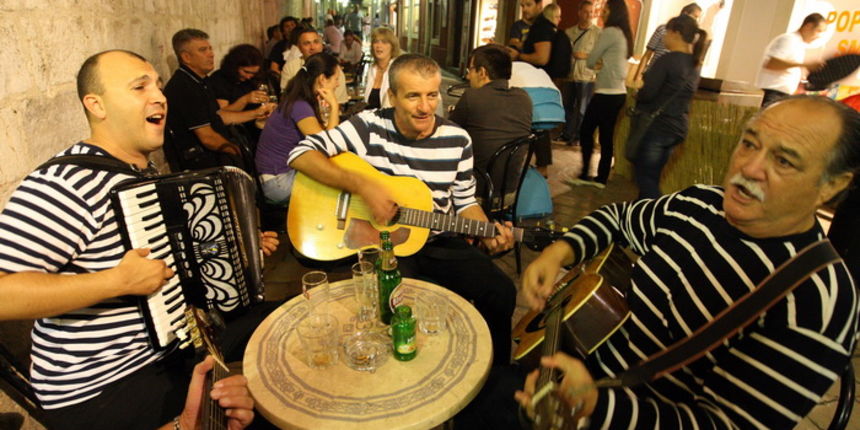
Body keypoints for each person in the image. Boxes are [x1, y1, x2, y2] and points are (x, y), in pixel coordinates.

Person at [458, 95, 860, 429]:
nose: (749, 168)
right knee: (472, 394)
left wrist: (597, 407)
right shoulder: (700, 203)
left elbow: (723, 425)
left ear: (833, 185)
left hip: (622, 414)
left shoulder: (818, 299)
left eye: (784, 161)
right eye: (750, 143)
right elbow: (617, 219)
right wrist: (560, 252)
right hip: (583, 369)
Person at [0, 49, 273, 430]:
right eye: (139, 86)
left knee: (284, 324)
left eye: (158, 86)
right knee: (259, 413)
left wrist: (233, 251)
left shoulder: (141, 176)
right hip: (102, 388)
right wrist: (117, 281)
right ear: (96, 105)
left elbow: (165, 262)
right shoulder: (64, 186)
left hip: (171, 347)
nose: (159, 95)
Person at [287, 54, 518, 366]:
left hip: (438, 240)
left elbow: (465, 203)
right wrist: (362, 186)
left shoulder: (457, 139)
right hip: (385, 247)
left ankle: (494, 373)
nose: (425, 108)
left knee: (501, 290)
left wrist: (489, 231)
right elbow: (301, 153)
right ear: (392, 96)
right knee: (392, 312)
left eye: (432, 95)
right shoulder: (369, 126)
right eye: (413, 96)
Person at [163, 29, 273, 172]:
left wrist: (258, 113)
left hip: (215, 151)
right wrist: (238, 152)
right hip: (202, 162)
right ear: (186, 57)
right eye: (203, 50)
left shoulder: (201, 80)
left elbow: (219, 116)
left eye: (210, 48)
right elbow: (208, 138)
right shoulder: (184, 87)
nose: (211, 54)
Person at [631, 15, 707, 199]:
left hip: (657, 126)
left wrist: (638, 93)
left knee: (645, 179)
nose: (663, 38)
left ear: (675, 33)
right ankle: (644, 218)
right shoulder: (694, 63)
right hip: (677, 126)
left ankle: (659, 216)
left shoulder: (668, 60)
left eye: (666, 33)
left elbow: (648, 93)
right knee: (653, 176)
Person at [449, 44, 532, 202]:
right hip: (510, 193)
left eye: (470, 70)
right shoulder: (524, 98)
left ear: (482, 72)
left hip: (477, 193)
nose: (467, 76)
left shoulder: (472, 97)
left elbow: (448, 138)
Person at [256, 53, 341, 205]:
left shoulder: (297, 100)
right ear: (322, 79)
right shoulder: (300, 105)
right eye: (336, 79)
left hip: (275, 176)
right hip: (278, 182)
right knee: (340, 182)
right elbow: (327, 146)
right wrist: (334, 106)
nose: (338, 84)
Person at [569, 0, 633, 188]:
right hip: (618, 92)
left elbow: (591, 60)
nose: (601, 13)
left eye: (605, 10)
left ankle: (585, 175)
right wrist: (599, 64)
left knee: (586, 130)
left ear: (614, 12)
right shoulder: (623, 33)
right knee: (606, 135)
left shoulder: (610, 32)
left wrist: (596, 63)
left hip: (606, 92)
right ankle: (601, 177)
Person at [507, 0, 554, 178]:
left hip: (535, 83)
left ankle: (539, 167)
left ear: (539, 5)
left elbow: (541, 58)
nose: (524, 9)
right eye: (522, 5)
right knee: (536, 124)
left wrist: (519, 54)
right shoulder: (533, 26)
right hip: (535, 81)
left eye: (528, 5)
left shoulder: (541, 27)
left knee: (537, 124)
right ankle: (531, 164)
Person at [756, 13, 827, 107]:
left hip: (780, 95)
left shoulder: (798, 44)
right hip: (773, 93)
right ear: (808, 26)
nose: (819, 36)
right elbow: (772, 63)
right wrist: (804, 65)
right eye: (818, 31)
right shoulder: (789, 40)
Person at [560, 0, 600, 145]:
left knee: (583, 109)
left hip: (587, 77)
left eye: (591, 12)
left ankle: (579, 136)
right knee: (567, 107)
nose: (589, 15)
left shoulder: (598, 33)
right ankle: (567, 134)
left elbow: (602, 57)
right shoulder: (569, 32)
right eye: (586, 11)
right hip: (570, 75)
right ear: (579, 12)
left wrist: (586, 56)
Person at [632, 3, 702, 85]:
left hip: (673, 78)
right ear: (685, 13)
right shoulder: (663, 29)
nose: (695, 20)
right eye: (695, 16)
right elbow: (648, 54)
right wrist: (637, 77)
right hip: (654, 73)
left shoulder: (693, 37)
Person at [280, 28, 348, 105]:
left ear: (322, 45)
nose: (312, 47)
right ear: (299, 47)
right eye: (306, 43)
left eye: (316, 42)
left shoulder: (334, 69)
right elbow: (285, 99)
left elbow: (339, 103)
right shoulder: (291, 67)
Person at [364, 26, 400, 110]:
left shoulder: (397, 70)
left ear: (392, 46)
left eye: (384, 42)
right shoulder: (372, 69)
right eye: (376, 42)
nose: (379, 46)